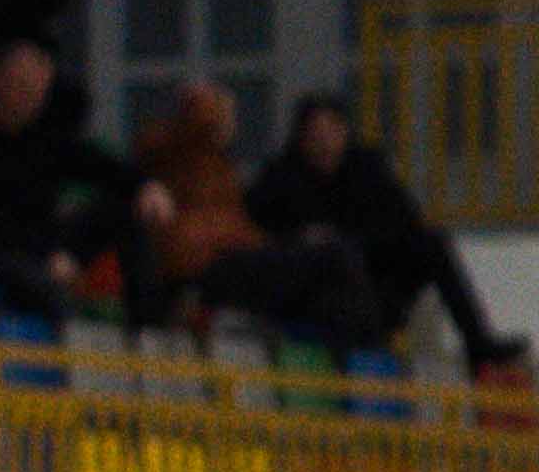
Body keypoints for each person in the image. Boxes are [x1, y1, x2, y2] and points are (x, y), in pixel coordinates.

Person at [248, 94, 527, 380]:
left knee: (432, 244)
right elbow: (258, 231)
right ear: (301, 139)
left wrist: (360, 239)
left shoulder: (367, 168)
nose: (324, 143)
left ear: (344, 132)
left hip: (376, 278)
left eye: (331, 131)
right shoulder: (280, 178)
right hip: (320, 289)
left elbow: (406, 221)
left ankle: (478, 345)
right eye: (315, 135)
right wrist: (301, 239)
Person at [131, 84, 386, 348]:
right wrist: (207, 107)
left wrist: (288, 241)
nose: (231, 125)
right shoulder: (183, 156)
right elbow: (217, 229)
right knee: (334, 259)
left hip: (228, 256)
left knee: (333, 271)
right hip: (209, 265)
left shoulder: (218, 167)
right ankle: (363, 353)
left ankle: (353, 355)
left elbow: (239, 226)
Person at [0, 36, 127, 327]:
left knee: (125, 209)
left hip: (32, 250)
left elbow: (99, 165)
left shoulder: (44, 137)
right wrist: (46, 257)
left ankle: (148, 332)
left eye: (37, 88)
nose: (31, 95)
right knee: (43, 283)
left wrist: (145, 186)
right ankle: (70, 347)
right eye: (22, 85)